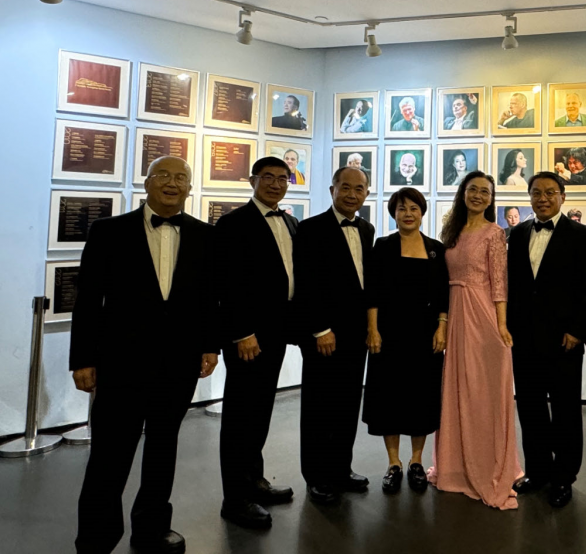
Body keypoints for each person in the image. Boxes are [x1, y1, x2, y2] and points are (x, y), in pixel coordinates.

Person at [70, 156, 218, 554]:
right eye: (163, 175)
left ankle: (151, 528)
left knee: (163, 449)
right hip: (121, 364)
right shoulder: (108, 231)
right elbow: (88, 300)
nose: (172, 182)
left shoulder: (205, 235)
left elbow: (208, 298)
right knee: (109, 455)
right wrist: (82, 359)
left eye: (181, 177)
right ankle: (96, 539)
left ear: (189, 188)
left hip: (179, 363)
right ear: (147, 183)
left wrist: (210, 345)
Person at [430, 171, 522, 509]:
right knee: (457, 390)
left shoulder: (494, 232)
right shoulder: (451, 231)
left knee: (484, 394)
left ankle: (487, 465)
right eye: (473, 189)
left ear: (491, 198)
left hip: (482, 315)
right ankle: (455, 466)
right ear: (463, 193)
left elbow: (500, 282)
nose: (479, 195)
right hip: (455, 315)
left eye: (485, 191)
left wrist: (502, 325)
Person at [215, 157, 298, 530]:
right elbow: (226, 283)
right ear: (253, 180)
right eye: (268, 177)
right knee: (239, 416)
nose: (276, 184)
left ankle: (254, 481)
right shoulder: (233, 223)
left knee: (260, 410)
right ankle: (235, 499)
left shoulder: (291, 222)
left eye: (283, 178)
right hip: (247, 337)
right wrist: (241, 332)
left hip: (277, 333)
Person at [508, 171, 586, 508]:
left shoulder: (581, 235)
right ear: (529, 196)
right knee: (530, 408)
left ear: (562, 197)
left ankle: (564, 476)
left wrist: (577, 329)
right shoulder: (517, 233)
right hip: (524, 338)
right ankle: (538, 470)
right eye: (536, 192)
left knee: (565, 410)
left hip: (564, 339)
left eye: (549, 192)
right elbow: (515, 286)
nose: (542, 198)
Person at [293, 166, 376, 505]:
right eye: (345, 187)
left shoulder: (367, 229)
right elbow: (306, 282)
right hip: (323, 334)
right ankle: (317, 476)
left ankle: (341, 468)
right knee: (319, 406)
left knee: (347, 403)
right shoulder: (310, 228)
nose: (352, 194)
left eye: (359, 188)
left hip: (356, 335)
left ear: (366, 193)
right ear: (332, 190)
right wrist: (320, 328)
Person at [363, 188, 449, 494]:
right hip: (388, 333)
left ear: (422, 212)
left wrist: (442, 327)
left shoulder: (436, 249)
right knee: (389, 397)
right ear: (394, 214)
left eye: (414, 208)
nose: (408, 214)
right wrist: (372, 330)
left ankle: (416, 461)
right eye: (402, 209)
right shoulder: (383, 246)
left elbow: (443, 294)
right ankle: (393, 463)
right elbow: (372, 292)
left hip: (425, 335)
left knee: (421, 397)